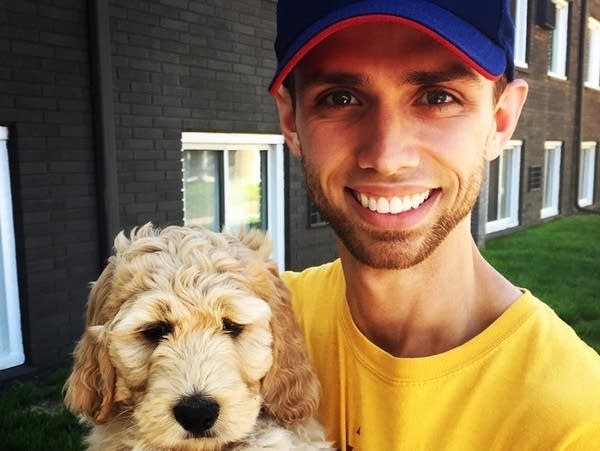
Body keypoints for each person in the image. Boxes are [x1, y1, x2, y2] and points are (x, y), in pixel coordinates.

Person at [268, 1, 600, 449]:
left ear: (501, 120)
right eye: (340, 98)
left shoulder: (574, 421)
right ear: (291, 121)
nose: (386, 157)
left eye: (438, 97)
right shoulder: (255, 330)